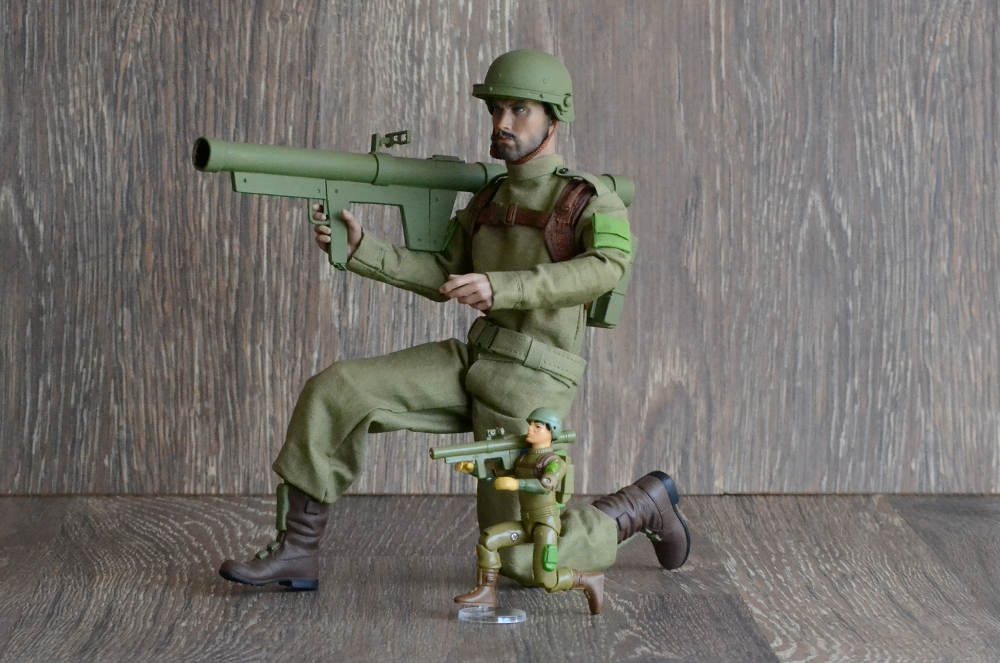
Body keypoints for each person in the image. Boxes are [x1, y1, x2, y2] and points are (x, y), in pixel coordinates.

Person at [219, 49, 691, 592]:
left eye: (520, 110)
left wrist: (503, 286)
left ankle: (638, 506)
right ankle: (297, 552)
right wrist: (363, 249)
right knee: (337, 390)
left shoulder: (586, 198)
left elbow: (608, 267)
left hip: (531, 380)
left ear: (555, 117)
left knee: (520, 559)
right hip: (476, 358)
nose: (503, 123)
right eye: (496, 110)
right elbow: (445, 271)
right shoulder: (489, 197)